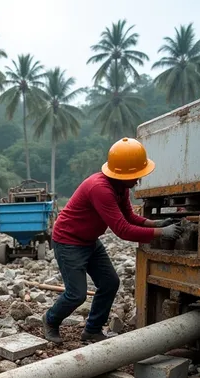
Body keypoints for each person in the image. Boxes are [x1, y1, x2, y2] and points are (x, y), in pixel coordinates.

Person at [42, 137, 182, 345]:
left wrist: (156, 224)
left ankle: (92, 330)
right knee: (76, 294)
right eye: (136, 176)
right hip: (68, 241)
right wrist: (162, 234)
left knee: (110, 282)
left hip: (89, 241)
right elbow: (123, 230)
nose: (138, 181)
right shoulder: (101, 188)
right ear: (123, 174)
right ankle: (50, 320)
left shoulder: (121, 188)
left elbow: (129, 216)